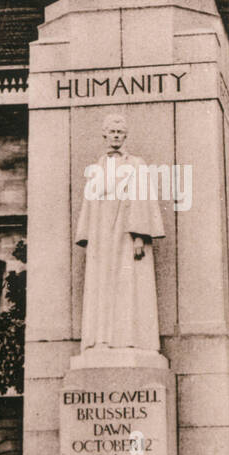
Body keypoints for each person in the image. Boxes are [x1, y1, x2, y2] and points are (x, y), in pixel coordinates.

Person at [75, 114, 166, 353]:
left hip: (126, 231)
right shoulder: (97, 167)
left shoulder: (136, 164)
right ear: (104, 135)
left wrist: (139, 236)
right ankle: (101, 339)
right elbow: (90, 202)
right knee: (102, 284)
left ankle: (127, 339)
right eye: (111, 132)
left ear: (125, 136)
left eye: (120, 132)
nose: (115, 136)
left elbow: (142, 198)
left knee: (127, 284)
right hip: (101, 232)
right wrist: (89, 236)